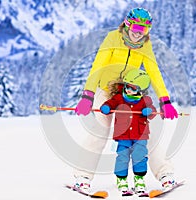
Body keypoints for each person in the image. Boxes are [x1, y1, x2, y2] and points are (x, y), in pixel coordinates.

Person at [74, 7, 178, 193]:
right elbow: (98, 65)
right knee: (100, 129)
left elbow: (153, 71)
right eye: (137, 28)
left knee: (146, 132)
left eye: (144, 30)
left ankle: (165, 174)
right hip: (105, 90)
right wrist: (88, 95)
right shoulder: (113, 38)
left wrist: (165, 100)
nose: (139, 34)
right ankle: (82, 177)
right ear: (128, 24)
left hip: (129, 93)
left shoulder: (145, 44)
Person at [100, 69, 156, 194]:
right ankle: (121, 180)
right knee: (122, 157)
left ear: (140, 90)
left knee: (139, 157)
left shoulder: (145, 100)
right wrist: (106, 107)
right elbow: (110, 103)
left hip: (140, 135)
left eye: (133, 88)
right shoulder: (119, 98)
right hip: (123, 135)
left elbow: (152, 112)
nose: (129, 90)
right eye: (127, 87)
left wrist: (149, 111)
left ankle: (139, 179)